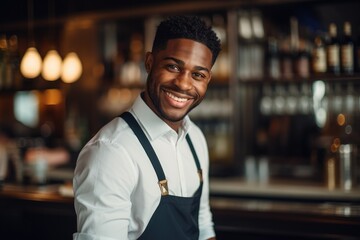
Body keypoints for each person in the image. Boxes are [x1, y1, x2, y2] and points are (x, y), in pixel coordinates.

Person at [73, 15, 221, 240]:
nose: (183, 83)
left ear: (207, 80)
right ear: (150, 63)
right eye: (172, 66)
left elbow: (203, 225)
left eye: (198, 75)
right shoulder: (110, 152)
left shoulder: (195, 139)